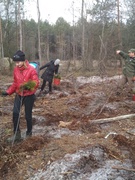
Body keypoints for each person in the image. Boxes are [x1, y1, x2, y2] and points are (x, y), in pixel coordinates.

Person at [1, 50, 39, 142]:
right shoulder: (16, 70)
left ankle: (29, 133)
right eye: (16, 63)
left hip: (29, 95)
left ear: (23, 60)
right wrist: (8, 91)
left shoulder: (31, 69)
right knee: (15, 113)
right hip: (19, 94)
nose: (17, 64)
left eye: (18, 62)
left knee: (28, 116)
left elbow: (36, 82)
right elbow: (15, 83)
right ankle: (17, 135)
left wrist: (28, 87)